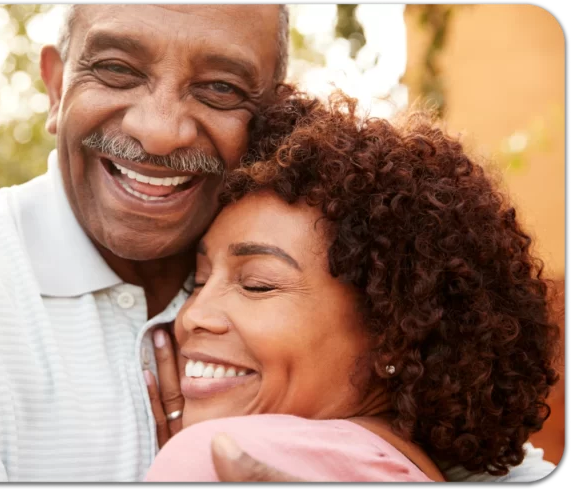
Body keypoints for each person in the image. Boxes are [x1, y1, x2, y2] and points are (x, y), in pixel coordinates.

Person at [0, 3, 556, 482]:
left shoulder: (339, 263)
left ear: (271, 116)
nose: (159, 130)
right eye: (116, 69)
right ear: (55, 87)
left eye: (220, 88)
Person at [143, 89, 561, 482]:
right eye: (199, 281)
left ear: (394, 336)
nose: (192, 315)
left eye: (257, 285)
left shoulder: (221, 455)